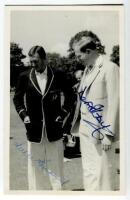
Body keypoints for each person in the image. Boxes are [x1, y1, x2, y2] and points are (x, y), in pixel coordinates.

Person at [13, 45, 74, 190]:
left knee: (56, 170)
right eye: (31, 62)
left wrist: (63, 114)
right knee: (35, 169)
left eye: (36, 61)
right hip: (34, 131)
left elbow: (71, 96)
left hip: (55, 130)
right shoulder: (24, 76)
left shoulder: (58, 75)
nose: (33, 65)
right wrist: (24, 115)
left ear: (45, 60)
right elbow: (17, 99)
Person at [69, 30, 119, 191]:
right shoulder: (87, 70)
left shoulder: (110, 68)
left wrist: (109, 134)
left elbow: (115, 102)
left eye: (79, 55)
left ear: (89, 52)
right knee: (89, 171)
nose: (78, 59)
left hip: (101, 133)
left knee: (103, 174)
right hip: (85, 129)